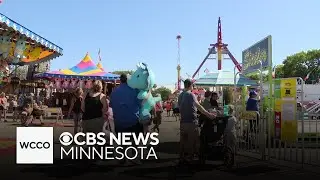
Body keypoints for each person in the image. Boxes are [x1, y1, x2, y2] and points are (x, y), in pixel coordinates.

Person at [178, 79, 216, 164]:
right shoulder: (191, 94)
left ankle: (181, 157)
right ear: (191, 85)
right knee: (194, 140)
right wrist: (208, 114)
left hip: (183, 121)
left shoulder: (180, 95)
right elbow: (198, 106)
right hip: (191, 121)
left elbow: (180, 108)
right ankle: (190, 159)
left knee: (183, 141)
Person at [110, 74, 142, 165]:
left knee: (121, 141)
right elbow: (140, 104)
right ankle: (134, 157)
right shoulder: (134, 90)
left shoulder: (114, 92)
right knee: (135, 140)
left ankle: (122, 157)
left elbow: (111, 105)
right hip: (133, 120)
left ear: (120, 80)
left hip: (119, 121)